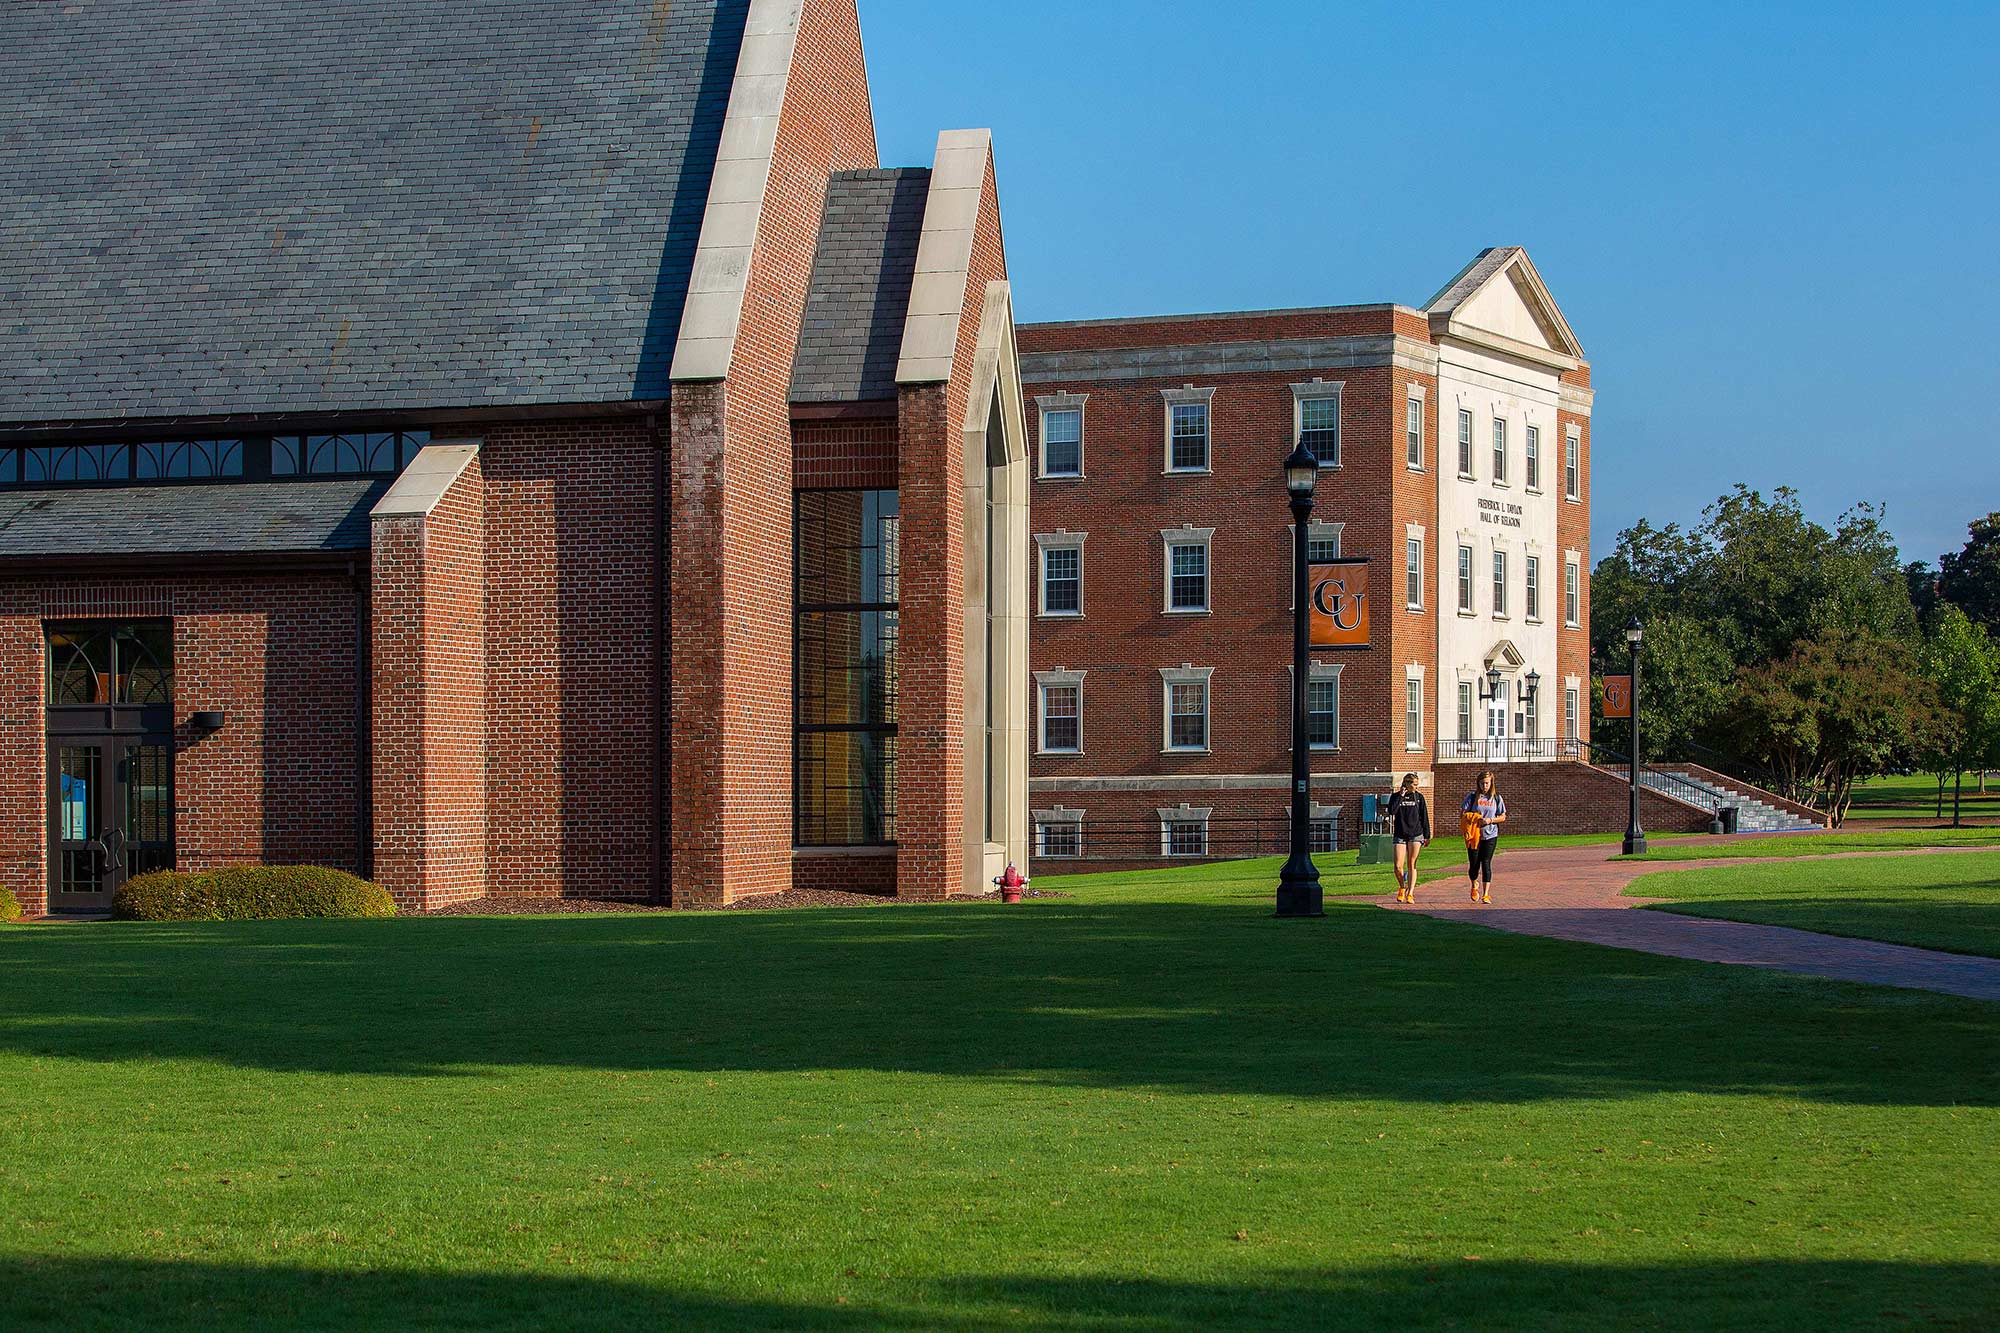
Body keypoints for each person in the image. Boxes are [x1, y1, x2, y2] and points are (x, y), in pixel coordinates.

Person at [1462, 771, 1507, 903]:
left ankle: (1486, 893)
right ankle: (1474, 884)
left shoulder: (1496, 798)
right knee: (1474, 864)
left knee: (1486, 862)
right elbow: (1463, 813)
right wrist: (1473, 817)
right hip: (1474, 836)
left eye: (1487, 783)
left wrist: (1490, 820)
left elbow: (1502, 816)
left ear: (1491, 783)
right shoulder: (1472, 797)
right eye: (1482, 783)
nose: (1484, 786)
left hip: (1490, 834)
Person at [1386, 773, 1430, 903]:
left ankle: (1410, 893)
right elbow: (1392, 811)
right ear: (1407, 783)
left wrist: (1427, 835)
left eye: (1417, 784)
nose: (1416, 787)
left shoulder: (1419, 798)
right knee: (1398, 866)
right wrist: (1401, 796)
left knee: (1412, 863)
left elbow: (1424, 817)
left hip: (1416, 834)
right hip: (1400, 834)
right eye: (1414, 784)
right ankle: (1402, 887)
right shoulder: (1396, 796)